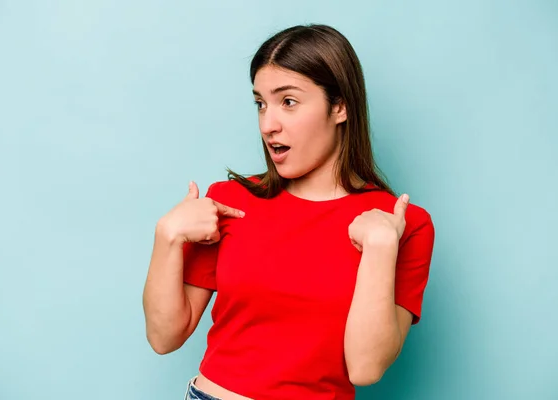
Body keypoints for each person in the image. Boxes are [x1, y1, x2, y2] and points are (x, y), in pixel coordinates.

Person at [142, 24, 435, 400]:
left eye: (288, 102)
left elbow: (365, 368)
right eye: (260, 103)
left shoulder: (401, 224)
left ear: (340, 106)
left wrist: (379, 248)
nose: (268, 124)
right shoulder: (230, 202)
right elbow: (164, 337)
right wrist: (166, 236)